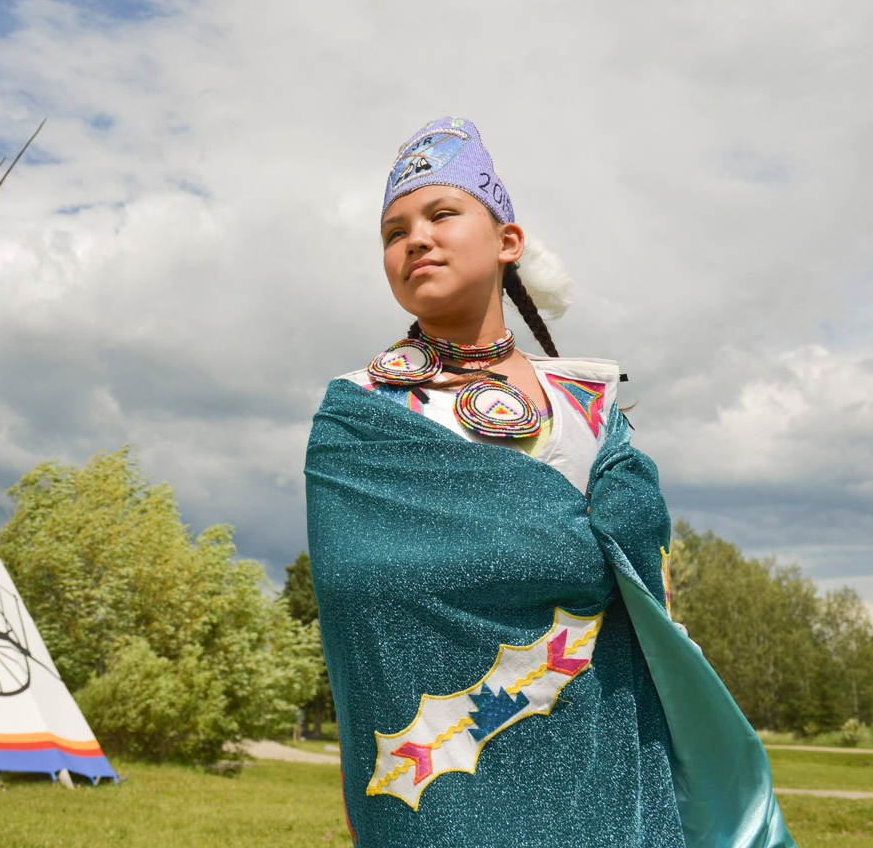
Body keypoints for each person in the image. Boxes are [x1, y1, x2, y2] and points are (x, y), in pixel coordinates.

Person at [305, 118, 794, 847]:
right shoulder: (361, 413)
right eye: (393, 231)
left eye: (442, 214)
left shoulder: (589, 406)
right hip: (439, 784)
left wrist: (551, 547)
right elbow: (358, 585)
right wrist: (561, 545)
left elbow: (644, 583)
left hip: (607, 752)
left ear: (508, 242)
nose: (415, 239)